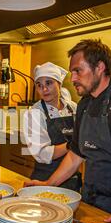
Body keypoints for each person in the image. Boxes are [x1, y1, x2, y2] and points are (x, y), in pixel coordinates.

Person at [25, 39, 111, 223]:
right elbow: (75, 154)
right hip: (89, 201)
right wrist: (48, 184)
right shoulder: (85, 104)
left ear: (99, 67)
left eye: (78, 71)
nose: (73, 78)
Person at [23, 62, 81, 191]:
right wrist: (71, 145)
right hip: (44, 180)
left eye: (48, 83)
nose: (44, 89)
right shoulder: (34, 113)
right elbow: (43, 154)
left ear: (59, 84)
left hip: (73, 180)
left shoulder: (74, 108)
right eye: (39, 85)